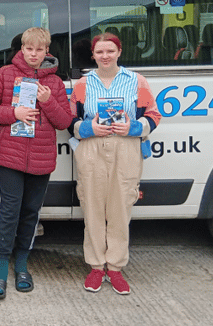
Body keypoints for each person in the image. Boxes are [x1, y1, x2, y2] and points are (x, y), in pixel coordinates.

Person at [0, 27, 72, 299]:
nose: (33, 54)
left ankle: (21, 266)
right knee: (9, 211)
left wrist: (48, 101)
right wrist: (14, 112)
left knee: (31, 212)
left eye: (38, 49)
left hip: (41, 159)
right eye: (28, 49)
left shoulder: (54, 83)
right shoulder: (5, 74)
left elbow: (65, 122)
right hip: (10, 156)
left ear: (46, 51)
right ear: (21, 49)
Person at [69, 32, 161, 295]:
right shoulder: (83, 84)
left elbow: (154, 116)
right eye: (100, 52)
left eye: (110, 51)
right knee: (93, 209)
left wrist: (133, 126)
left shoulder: (137, 81)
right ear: (93, 55)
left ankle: (116, 268)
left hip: (126, 147)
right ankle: (96, 267)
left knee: (121, 209)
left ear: (119, 52)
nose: (105, 56)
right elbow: (69, 121)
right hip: (92, 148)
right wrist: (88, 128)